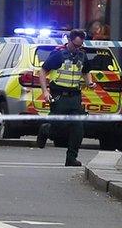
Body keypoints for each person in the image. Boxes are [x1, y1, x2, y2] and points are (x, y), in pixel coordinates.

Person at [37, 29, 96, 166]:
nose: (77, 48)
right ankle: (46, 129)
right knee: (58, 126)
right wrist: (45, 91)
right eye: (75, 45)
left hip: (75, 97)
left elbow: (86, 71)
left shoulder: (82, 55)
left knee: (78, 127)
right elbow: (43, 71)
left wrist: (89, 83)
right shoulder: (58, 55)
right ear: (69, 41)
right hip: (59, 96)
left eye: (80, 45)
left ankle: (71, 158)